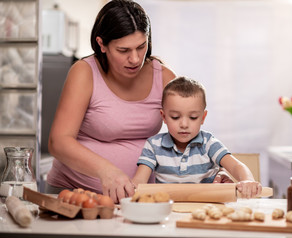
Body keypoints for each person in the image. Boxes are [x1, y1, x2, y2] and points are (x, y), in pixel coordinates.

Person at [45, 0, 176, 203]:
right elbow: (58, 142)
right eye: (123, 51)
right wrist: (106, 171)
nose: (135, 59)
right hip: (74, 195)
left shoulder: (164, 77)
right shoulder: (85, 72)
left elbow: (186, 134)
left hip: (138, 200)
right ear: (102, 44)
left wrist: (208, 172)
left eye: (141, 47)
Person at [132, 76, 262, 198]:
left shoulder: (208, 143)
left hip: (206, 208)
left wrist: (247, 180)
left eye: (193, 117)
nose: (184, 124)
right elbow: (139, 182)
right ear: (164, 116)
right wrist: (132, 190)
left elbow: (236, 166)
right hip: (168, 209)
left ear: (203, 117)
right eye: (175, 117)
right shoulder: (153, 145)